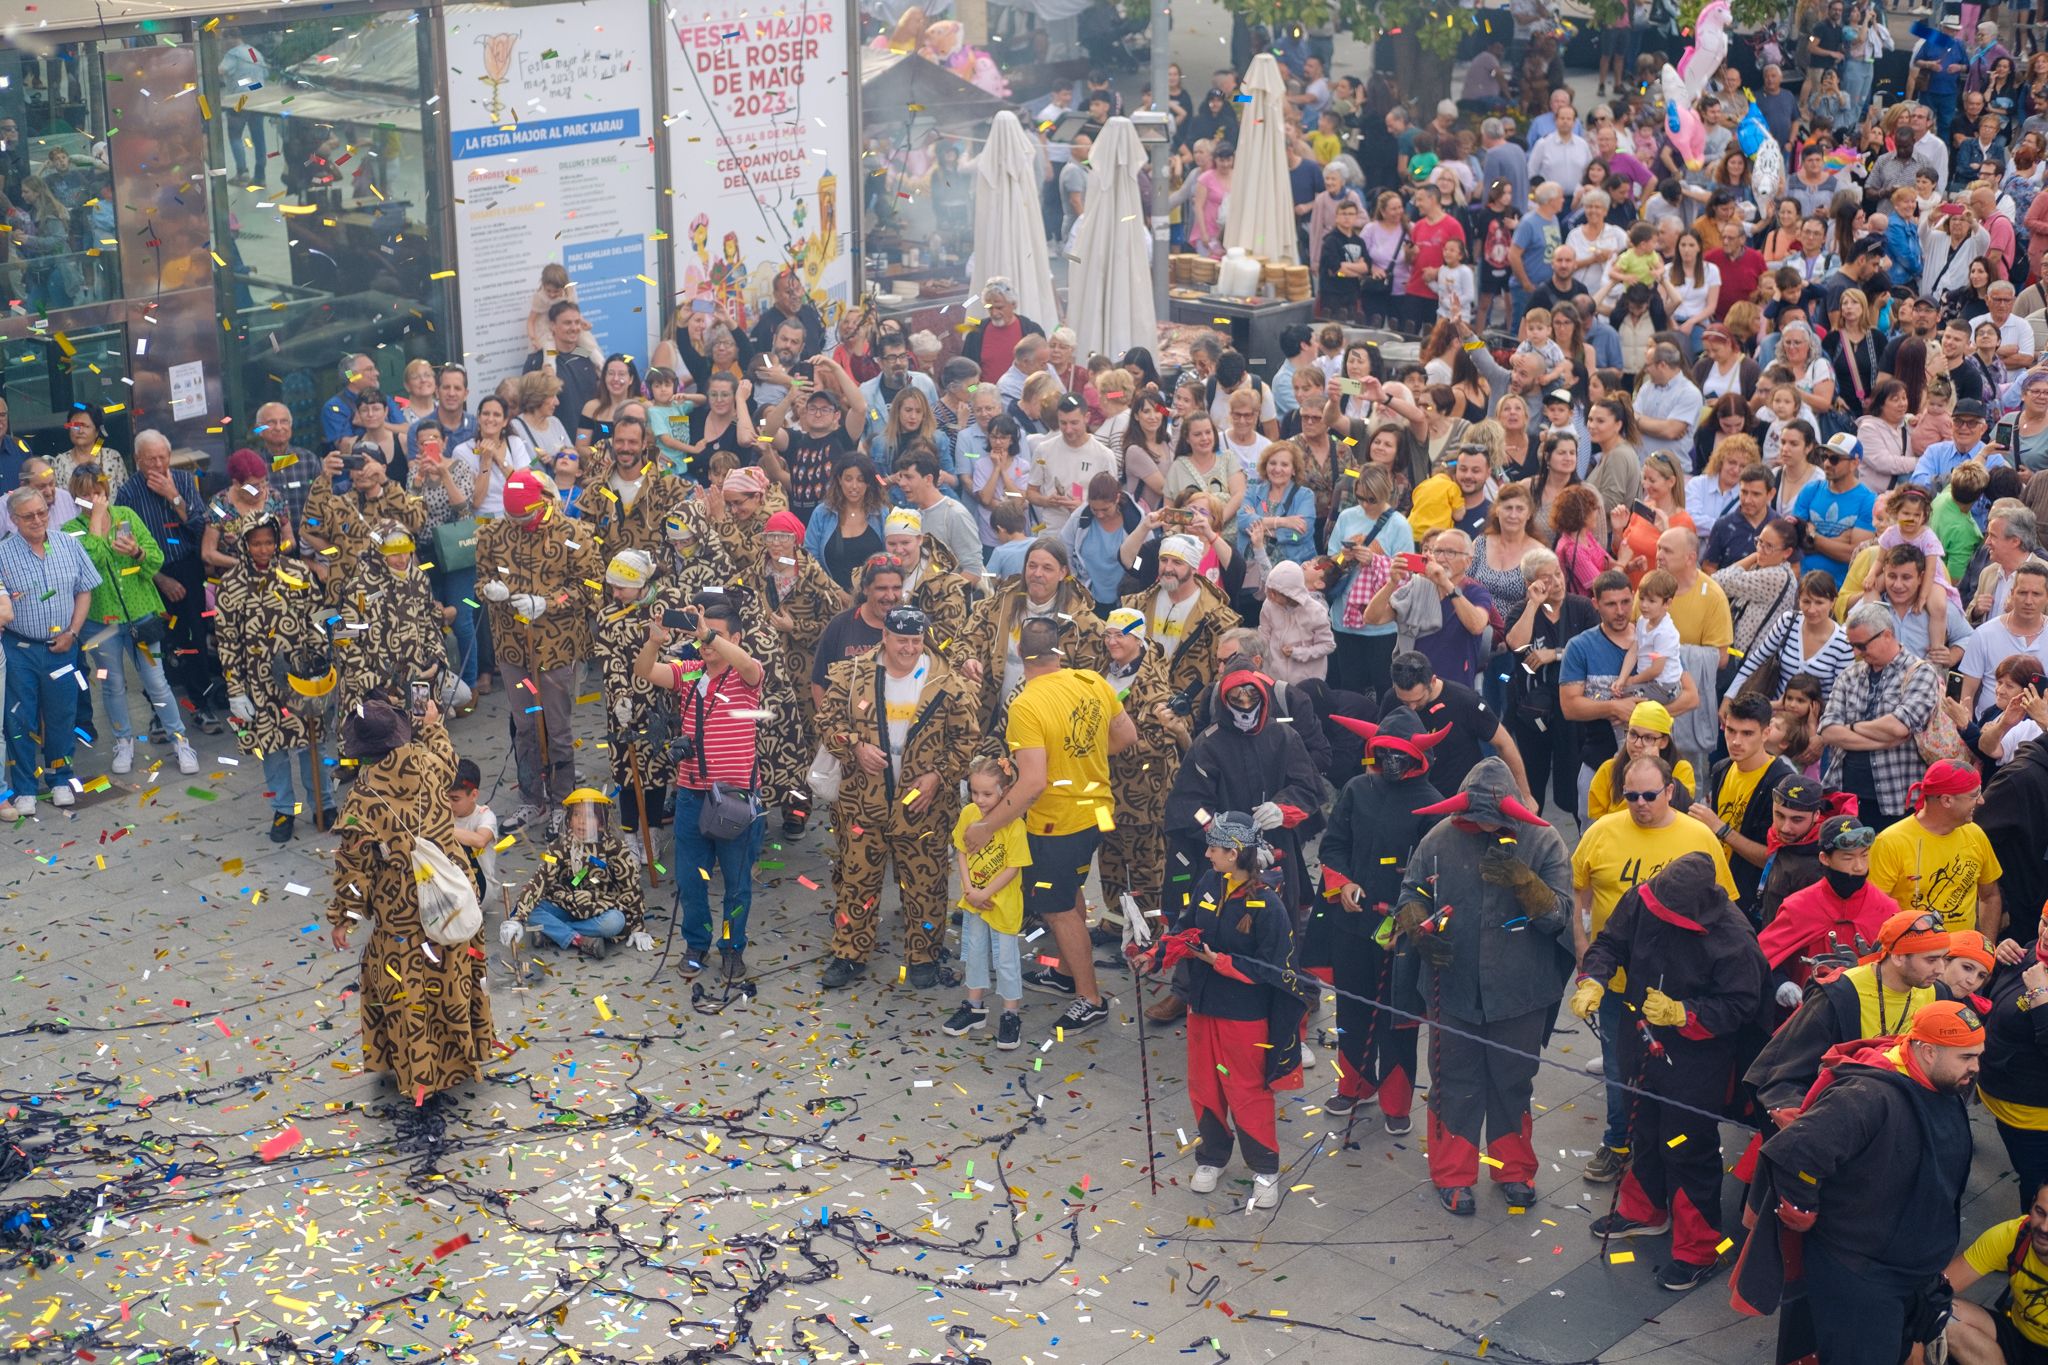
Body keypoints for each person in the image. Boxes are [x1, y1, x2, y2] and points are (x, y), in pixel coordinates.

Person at [1733, 999, 1982, 1365]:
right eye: (1967, 1057)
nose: (1976, 1068)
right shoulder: (1866, 1096)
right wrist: (1803, 1209)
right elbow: (1795, 1154)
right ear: (1927, 1051)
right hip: (1862, 1274)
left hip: (1907, 1267)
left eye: (1978, 1055)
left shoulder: (1939, 1082)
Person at [1570, 853, 1769, 1292]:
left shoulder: (1734, 939)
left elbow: (1743, 1005)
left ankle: (1699, 1248)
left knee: (1685, 1145)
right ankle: (1645, 1211)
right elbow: (1609, 944)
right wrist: (1594, 979)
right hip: (1638, 1035)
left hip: (1696, 1057)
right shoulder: (1644, 897)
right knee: (1643, 1128)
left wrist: (1685, 1012)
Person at [1394, 757, 1572, 1214]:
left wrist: (1524, 881)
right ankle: (1453, 1175)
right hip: (1452, 987)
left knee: (1514, 1081)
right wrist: (1418, 927)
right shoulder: (1439, 838)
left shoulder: (1544, 841)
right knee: (1454, 1082)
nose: (1481, 827)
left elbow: (1560, 918)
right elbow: (1411, 893)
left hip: (1520, 993)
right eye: (1474, 820)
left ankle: (1514, 1171)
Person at [961, 617, 1137, 1033]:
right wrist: (1084, 758)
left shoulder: (1025, 704)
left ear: (1021, 655)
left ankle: (1090, 999)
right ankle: (1067, 974)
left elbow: (1033, 783)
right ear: (1058, 651)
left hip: (1059, 823)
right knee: (1068, 889)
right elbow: (1126, 736)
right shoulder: (1092, 681)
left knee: (1057, 908)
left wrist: (986, 827)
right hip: (1096, 810)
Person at [1572, 754, 1740, 1184]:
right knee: (1617, 1066)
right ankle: (1618, 1141)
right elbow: (1583, 901)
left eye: (1649, 795)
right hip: (1620, 983)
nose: (1640, 803)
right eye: (1631, 796)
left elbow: (1726, 912)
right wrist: (1588, 965)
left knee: (1675, 1074)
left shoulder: (1699, 837)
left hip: (1681, 991)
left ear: (1669, 791)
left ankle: (1669, 1152)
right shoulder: (1601, 833)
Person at [1133, 810, 1311, 1208]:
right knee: (1204, 1085)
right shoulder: (1209, 882)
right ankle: (1212, 1157)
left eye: (1214, 848)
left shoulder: (1268, 904)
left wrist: (1223, 964)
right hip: (1202, 1007)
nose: (1208, 853)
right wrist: (1156, 955)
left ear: (1234, 853)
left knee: (1246, 1090)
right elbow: (1186, 929)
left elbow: (1275, 968)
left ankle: (1264, 1169)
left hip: (1244, 1017)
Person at [325, 694, 494, 1106]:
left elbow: (354, 868)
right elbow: (448, 756)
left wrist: (343, 917)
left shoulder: (361, 799)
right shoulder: (429, 763)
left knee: (409, 989)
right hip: (450, 894)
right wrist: (433, 723)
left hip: (401, 908)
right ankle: (460, 1058)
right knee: (451, 972)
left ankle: (420, 1072)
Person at [816, 604, 979, 989]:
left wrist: (939, 775)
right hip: (862, 800)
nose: (908, 648)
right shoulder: (853, 674)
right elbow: (827, 720)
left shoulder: (948, 683)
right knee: (857, 880)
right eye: (901, 640)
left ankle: (923, 956)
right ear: (884, 637)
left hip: (922, 805)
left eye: (916, 640)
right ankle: (849, 954)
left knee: (926, 884)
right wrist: (854, 745)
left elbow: (967, 739)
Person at [1310, 708, 1447, 1136]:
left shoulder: (1433, 803)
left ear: (1415, 758)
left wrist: (1412, 922)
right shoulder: (1355, 789)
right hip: (1352, 924)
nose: (1390, 762)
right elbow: (1333, 846)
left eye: (1398, 755)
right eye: (1383, 752)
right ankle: (1354, 1084)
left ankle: (1396, 1101)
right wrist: (1343, 884)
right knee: (1351, 1007)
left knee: (1399, 1017)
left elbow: (1438, 875)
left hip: (1401, 934)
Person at [636, 598, 767, 981]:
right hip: (693, 795)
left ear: (736, 638)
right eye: (703, 635)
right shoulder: (691, 672)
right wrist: (654, 642)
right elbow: (645, 672)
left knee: (737, 885)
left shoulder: (748, 674)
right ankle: (696, 945)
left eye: (717, 636)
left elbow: (745, 663)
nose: (706, 643)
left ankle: (731, 948)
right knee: (692, 880)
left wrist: (705, 632)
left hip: (736, 798)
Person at [477, 470, 603, 833]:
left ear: (543, 503)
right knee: (525, 726)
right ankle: (533, 799)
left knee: (558, 728)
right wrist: (491, 590)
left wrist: (548, 602)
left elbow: (591, 585)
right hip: (512, 648)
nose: (519, 524)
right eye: (513, 518)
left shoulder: (575, 535)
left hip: (556, 646)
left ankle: (563, 799)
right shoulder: (491, 533)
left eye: (525, 517)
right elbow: (481, 577)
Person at [1746, 907, 1953, 1121]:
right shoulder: (1840, 995)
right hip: (1845, 1116)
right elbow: (1782, 1073)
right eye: (1930, 960)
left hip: (1904, 1116)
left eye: (1943, 959)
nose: (1940, 970)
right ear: (1898, 957)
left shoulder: (1938, 993)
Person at [63, 463, 197, 777]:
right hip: (100, 623)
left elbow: (156, 557)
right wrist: (96, 522)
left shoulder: (128, 516)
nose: (93, 500)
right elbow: (89, 567)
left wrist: (137, 552)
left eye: (97, 493)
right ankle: (123, 741)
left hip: (142, 614)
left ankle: (180, 740)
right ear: (75, 498)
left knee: (157, 682)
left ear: (106, 491)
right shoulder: (71, 531)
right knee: (113, 685)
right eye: (84, 496)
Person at [216, 514, 328, 841]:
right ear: (245, 545)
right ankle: (283, 810)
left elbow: (317, 619)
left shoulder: (296, 572)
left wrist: (321, 660)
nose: (263, 549)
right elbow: (227, 642)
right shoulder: (231, 585)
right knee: (273, 749)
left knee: (313, 744)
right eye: (256, 543)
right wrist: (236, 690)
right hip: (259, 684)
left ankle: (324, 803)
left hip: (301, 676)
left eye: (268, 542)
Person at [0, 485, 98, 813]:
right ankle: (26, 787)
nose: (38, 520)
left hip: (64, 645)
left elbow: (85, 590)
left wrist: (73, 632)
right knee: (20, 719)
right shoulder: (2, 553)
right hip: (19, 648)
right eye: (28, 516)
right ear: (13, 519)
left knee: (61, 714)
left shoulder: (67, 544)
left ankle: (60, 778)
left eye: (42, 512)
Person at [1098, 607, 1185, 974]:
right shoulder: (1102, 671)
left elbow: (1157, 739)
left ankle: (1148, 939)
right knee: (1110, 860)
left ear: (1138, 639)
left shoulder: (1153, 683)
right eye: (1108, 634)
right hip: (1103, 792)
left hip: (1141, 796)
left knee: (1147, 867)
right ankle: (1116, 925)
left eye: (1120, 635)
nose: (1112, 641)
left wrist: (1102, 744)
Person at [118, 431, 221, 733]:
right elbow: (126, 545)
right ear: (138, 461)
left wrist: (173, 496)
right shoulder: (127, 493)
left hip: (187, 568)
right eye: (151, 459)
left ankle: (202, 707)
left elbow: (201, 526)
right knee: (154, 646)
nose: (159, 464)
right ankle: (159, 714)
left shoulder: (185, 481)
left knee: (194, 640)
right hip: (149, 575)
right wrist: (158, 578)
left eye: (163, 456)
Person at [1818, 602, 1945, 826]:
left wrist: (1852, 727)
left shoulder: (1920, 672)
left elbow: (1898, 727)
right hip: (1846, 796)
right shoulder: (1849, 675)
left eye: (1861, 646)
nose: (1856, 653)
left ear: (1886, 635)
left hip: (1897, 801)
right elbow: (1828, 731)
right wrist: (1882, 741)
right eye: (1852, 646)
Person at [1757, 814, 1900, 1000]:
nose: (1859, 867)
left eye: (1864, 856)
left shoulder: (1887, 909)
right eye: (1848, 858)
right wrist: (1780, 983)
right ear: (1825, 858)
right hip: (1808, 1010)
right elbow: (1762, 957)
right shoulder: (1799, 907)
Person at [503, 790, 654, 959]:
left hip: (601, 907)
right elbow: (541, 879)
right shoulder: (559, 845)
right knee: (529, 910)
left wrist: (638, 927)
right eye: (576, 814)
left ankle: (553, 932)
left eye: (589, 816)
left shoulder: (616, 847)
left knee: (615, 922)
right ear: (569, 819)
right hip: (565, 903)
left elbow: (631, 888)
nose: (582, 821)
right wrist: (517, 919)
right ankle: (580, 940)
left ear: (601, 822)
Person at [946, 755, 1033, 1050]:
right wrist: (969, 889)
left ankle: (1010, 1014)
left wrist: (986, 893)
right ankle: (974, 1007)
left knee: (1007, 961)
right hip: (974, 902)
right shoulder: (969, 813)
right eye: (975, 792)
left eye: (987, 793)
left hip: (1002, 905)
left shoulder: (1014, 825)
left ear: (1004, 791)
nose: (979, 800)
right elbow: (961, 850)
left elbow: (1014, 866)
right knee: (973, 953)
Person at [1868, 759, 2004, 936]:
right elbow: (1874, 911)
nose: (1982, 801)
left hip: (1962, 958)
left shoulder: (1975, 833)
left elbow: (1990, 895)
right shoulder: (1890, 842)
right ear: (1947, 800)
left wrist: (1985, 950)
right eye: (1974, 795)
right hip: (1912, 958)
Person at [1690, 693, 1797, 909]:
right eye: (1730, 731)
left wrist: (1721, 829)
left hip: (1752, 901)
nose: (1736, 741)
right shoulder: (1721, 768)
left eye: (1747, 733)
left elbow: (1775, 858)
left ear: (1766, 733)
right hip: (1717, 889)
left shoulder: (1781, 782)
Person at [1118, 533, 1239, 701]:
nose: (1168, 568)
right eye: (1164, 560)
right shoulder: (1138, 605)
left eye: (1177, 562)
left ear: (1194, 567)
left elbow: (1223, 671)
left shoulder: (1216, 616)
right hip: (1140, 703)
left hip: (1186, 710)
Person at [1944, 1178, 2048, 1363]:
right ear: (2031, 1205)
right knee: (1942, 1316)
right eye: (2041, 1212)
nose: (2044, 1227)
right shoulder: (2013, 1237)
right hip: (2018, 1335)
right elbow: (1934, 1291)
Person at [523, 303, 601, 428]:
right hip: (557, 440)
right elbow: (527, 407)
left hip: (589, 438)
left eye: (577, 322)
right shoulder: (538, 361)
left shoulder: (587, 355)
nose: (574, 327)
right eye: (567, 323)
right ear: (552, 326)